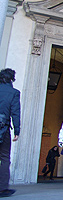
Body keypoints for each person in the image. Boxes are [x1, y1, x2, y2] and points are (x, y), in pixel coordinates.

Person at [0, 68, 20, 197]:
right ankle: (2, 188)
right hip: (3, 128)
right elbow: (15, 113)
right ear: (12, 79)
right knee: (4, 157)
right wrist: (17, 130)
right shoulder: (13, 93)